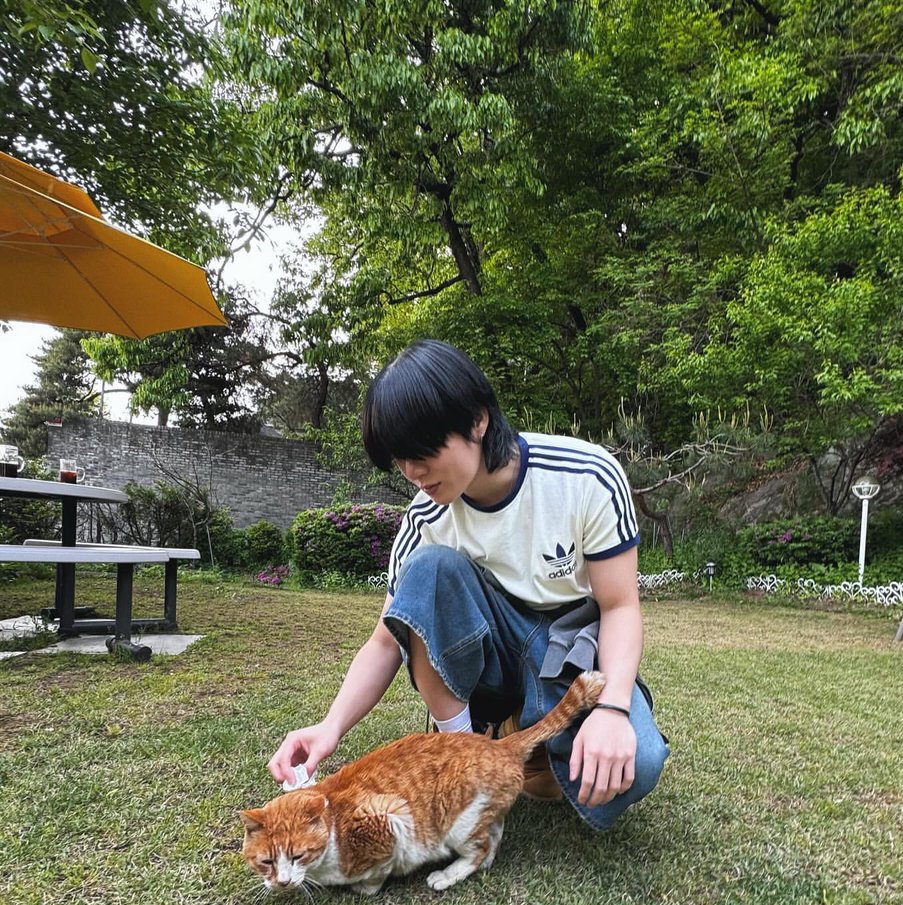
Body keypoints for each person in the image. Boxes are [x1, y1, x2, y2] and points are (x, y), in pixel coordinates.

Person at [268, 340, 668, 829]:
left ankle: (521, 735)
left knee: (640, 762)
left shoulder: (585, 475)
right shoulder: (424, 518)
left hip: (568, 648)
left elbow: (620, 606)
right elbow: (384, 643)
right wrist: (330, 727)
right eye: (399, 459)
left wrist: (612, 709)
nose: (413, 473)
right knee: (431, 567)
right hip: (488, 662)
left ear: (478, 421)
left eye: (423, 452)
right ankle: (461, 753)